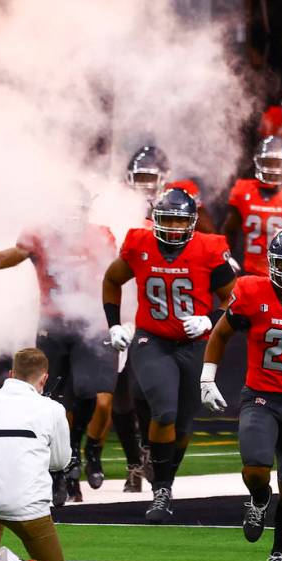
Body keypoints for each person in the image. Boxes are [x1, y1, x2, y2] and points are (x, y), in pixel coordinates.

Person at [102, 188, 236, 524]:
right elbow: (112, 279)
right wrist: (114, 324)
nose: (174, 227)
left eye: (180, 220)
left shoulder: (207, 249)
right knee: (164, 411)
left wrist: (210, 318)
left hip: (194, 343)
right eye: (167, 219)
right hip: (154, 339)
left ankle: (165, 479)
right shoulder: (141, 245)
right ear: (155, 219)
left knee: (185, 422)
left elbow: (232, 299)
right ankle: (161, 490)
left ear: (191, 222)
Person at [0, 195, 118, 506]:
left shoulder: (101, 235)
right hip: (54, 326)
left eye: (77, 209)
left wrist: (125, 320)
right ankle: (62, 470)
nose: (71, 217)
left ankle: (91, 451)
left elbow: (122, 278)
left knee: (101, 399)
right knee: (54, 405)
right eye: (66, 209)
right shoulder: (39, 236)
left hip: (92, 324)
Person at [200, 228, 282, 561]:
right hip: (260, 397)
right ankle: (257, 499)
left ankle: (280, 553)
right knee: (255, 469)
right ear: (270, 262)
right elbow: (221, 333)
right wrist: (207, 378)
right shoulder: (252, 291)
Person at [0, 348, 71, 561]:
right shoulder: (52, 409)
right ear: (44, 378)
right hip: (27, 506)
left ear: (11, 374)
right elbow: (59, 462)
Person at [222, 136, 282, 277]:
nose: (273, 169)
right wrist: (226, 256)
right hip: (251, 272)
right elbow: (230, 229)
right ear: (258, 162)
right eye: (268, 163)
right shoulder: (243, 190)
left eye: (278, 164)